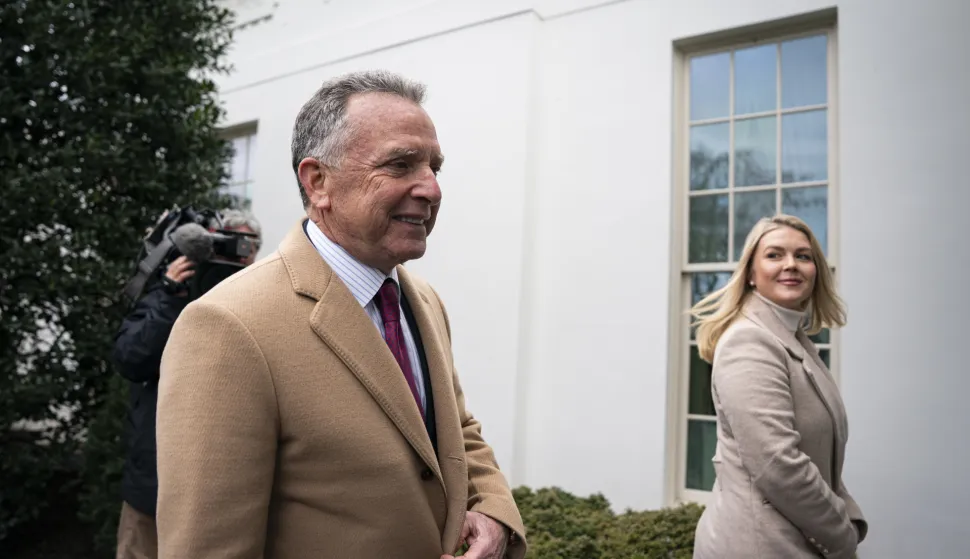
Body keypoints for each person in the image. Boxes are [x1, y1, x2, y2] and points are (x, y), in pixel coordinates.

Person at [155, 70, 527, 559]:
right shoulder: (228, 326)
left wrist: (494, 511)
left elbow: (458, 433)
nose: (432, 190)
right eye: (400, 164)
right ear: (318, 182)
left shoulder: (425, 301)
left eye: (434, 167)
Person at [689, 214, 867, 559]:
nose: (791, 265)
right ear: (751, 274)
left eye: (803, 256)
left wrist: (849, 514)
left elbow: (819, 454)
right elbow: (778, 465)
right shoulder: (749, 341)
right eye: (774, 255)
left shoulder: (795, 340)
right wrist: (841, 535)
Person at [112, 209, 262, 559]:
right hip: (154, 482)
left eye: (244, 246)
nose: (234, 255)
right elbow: (130, 359)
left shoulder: (265, 299)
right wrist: (170, 295)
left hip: (225, 489)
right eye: (223, 243)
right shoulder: (173, 292)